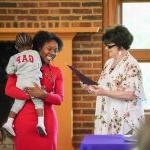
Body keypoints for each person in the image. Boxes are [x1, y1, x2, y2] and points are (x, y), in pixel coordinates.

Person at [4, 31, 64, 150]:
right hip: (24, 122)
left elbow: (59, 99)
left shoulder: (57, 71)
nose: (52, 53)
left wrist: (43, 95)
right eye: (49, 49)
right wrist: (31, 94)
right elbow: (9, 90)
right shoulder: (21, 67)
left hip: (47, 122)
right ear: (38, 48)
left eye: (55, 50)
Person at [81, 25, 145, 135]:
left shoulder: (131, 65)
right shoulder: (109, 63)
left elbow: (131, 94)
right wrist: (91, 87)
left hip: (124, 119)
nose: (106, 48)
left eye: (109, 46)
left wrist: (104, 92)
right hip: (107, 115)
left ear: (121, 46)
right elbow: (105, 87)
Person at [2, 32, 47, 137]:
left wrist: (17, 68)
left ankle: (9, 123)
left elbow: (9, 71)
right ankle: (41, 123)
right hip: (33, 81)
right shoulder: (35, 53)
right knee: (38, 102)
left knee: (17, 103)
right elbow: (39, 65)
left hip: (20, 83)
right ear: (31, 45)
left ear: (17, 47)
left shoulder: (14, 57)